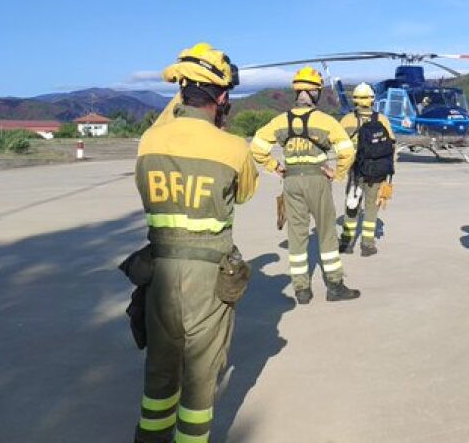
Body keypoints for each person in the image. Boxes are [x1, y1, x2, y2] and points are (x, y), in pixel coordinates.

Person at [133, 42, 258, 443]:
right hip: (208, 279)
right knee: (201, 379)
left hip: (159, 274)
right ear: (221, 98)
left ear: (181, 90)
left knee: (160, 372)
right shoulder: (233, 148)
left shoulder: (149, 141)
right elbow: (244, 194)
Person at [250, 67, 361, 304]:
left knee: (297, 234)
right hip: (317, 179)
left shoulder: (280, 121)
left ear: (297, 91)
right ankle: (334, 286)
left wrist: (275, 166)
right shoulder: (325, 121)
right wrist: (337, 174)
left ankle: (301, 289)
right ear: (315, 92)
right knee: (327, 233)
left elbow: (257, 147)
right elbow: (347, 151)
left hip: (291, 181)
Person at [339, 83, 396, 256]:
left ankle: (347, 243)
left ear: (355, 100)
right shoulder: (382, 120)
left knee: (352, 207)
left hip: (355, 172)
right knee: (372, 208)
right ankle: (368, 245)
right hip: (377, 173)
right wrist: (389, 171)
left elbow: (338, 146)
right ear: (372, 100)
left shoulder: (347, 120)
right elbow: (391, 146)